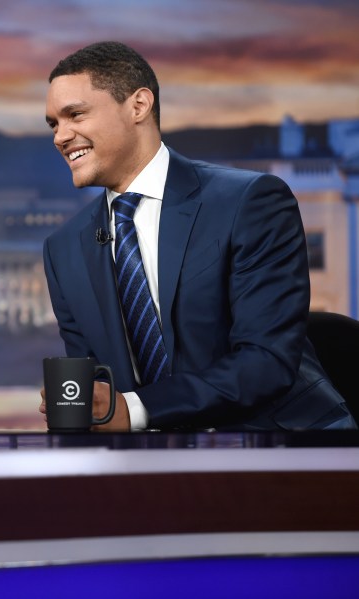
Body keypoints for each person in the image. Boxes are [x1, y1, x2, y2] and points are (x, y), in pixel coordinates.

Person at [40, 41, 356, 431]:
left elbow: (266, 362)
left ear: (139, 105)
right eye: (54, 123)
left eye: (76, 115)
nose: (60, 136)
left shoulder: (249, 201)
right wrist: (85, 402)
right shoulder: (64, 249)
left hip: (281, 449)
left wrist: (136, 409)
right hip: (149, 464)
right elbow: (99, 387)